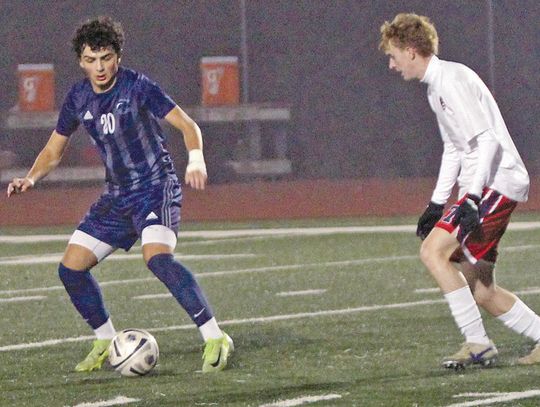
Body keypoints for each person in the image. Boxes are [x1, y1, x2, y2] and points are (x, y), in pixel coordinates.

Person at [6, 16, 233, 373]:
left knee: (157, 258)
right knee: (70, 270)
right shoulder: (78, 97)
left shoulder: (138, 87)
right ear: (80, 62)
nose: (99, 67)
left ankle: (215, 336)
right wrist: (31, 178)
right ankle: (105, 339)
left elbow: (188, 126)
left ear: (118, 57)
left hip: (155, 188)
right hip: (116, 197)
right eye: (91, 60)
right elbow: (53, 150)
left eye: (106, 58)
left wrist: (196, 159)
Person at [379, 13, 540, 369]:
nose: (391, 65)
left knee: (433, 252)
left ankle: (478, 343)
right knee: (483, 291)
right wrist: (437, 202)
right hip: (488, 184)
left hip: (496, 182)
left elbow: (485, 142)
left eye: (393, 55)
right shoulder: (438, 86)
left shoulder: (450, 81)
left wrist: (470, 198)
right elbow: (454, 148)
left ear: (410, 51)